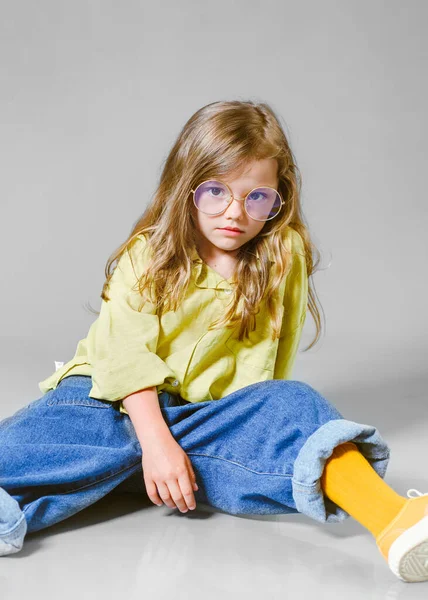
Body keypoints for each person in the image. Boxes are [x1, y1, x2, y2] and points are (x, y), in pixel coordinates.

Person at [1, 100, 427, 584]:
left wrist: (255, 428)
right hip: (116, 399)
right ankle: (112, 472)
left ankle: (395, 520)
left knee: (293, 406)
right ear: (187, 188)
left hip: (203, 419)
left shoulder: (283, 255)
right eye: (216, 192)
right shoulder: (150, 253)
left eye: (258, 198)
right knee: (86, 438)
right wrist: (157, 443)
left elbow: (272, 365)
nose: (235, 213)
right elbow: (120, 355)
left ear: (279, 198)